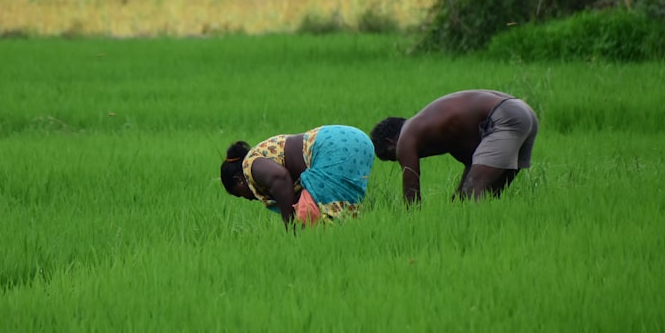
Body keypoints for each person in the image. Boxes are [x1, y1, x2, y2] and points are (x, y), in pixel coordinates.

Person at [370, 90, 538, 204]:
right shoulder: (437, 129)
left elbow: (411, 191)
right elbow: (472, 166)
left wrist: (409, 223)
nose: (401, 157)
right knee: (489, 195)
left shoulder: (406, 136)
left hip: (506, 115)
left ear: (391, 142)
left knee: (473, 189)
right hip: (522, 111)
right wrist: (456, 204)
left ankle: (475, 240)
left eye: (395, 156)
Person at [220, 125, 375, 230]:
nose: (247, 198)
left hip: (331, 147)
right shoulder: (261, 153)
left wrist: (290, 227)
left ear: (238, 180)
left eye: (239, 193)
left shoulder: (250, 165)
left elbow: (280, 178)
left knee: (313, 218)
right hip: (358, 141)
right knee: (346, 217)